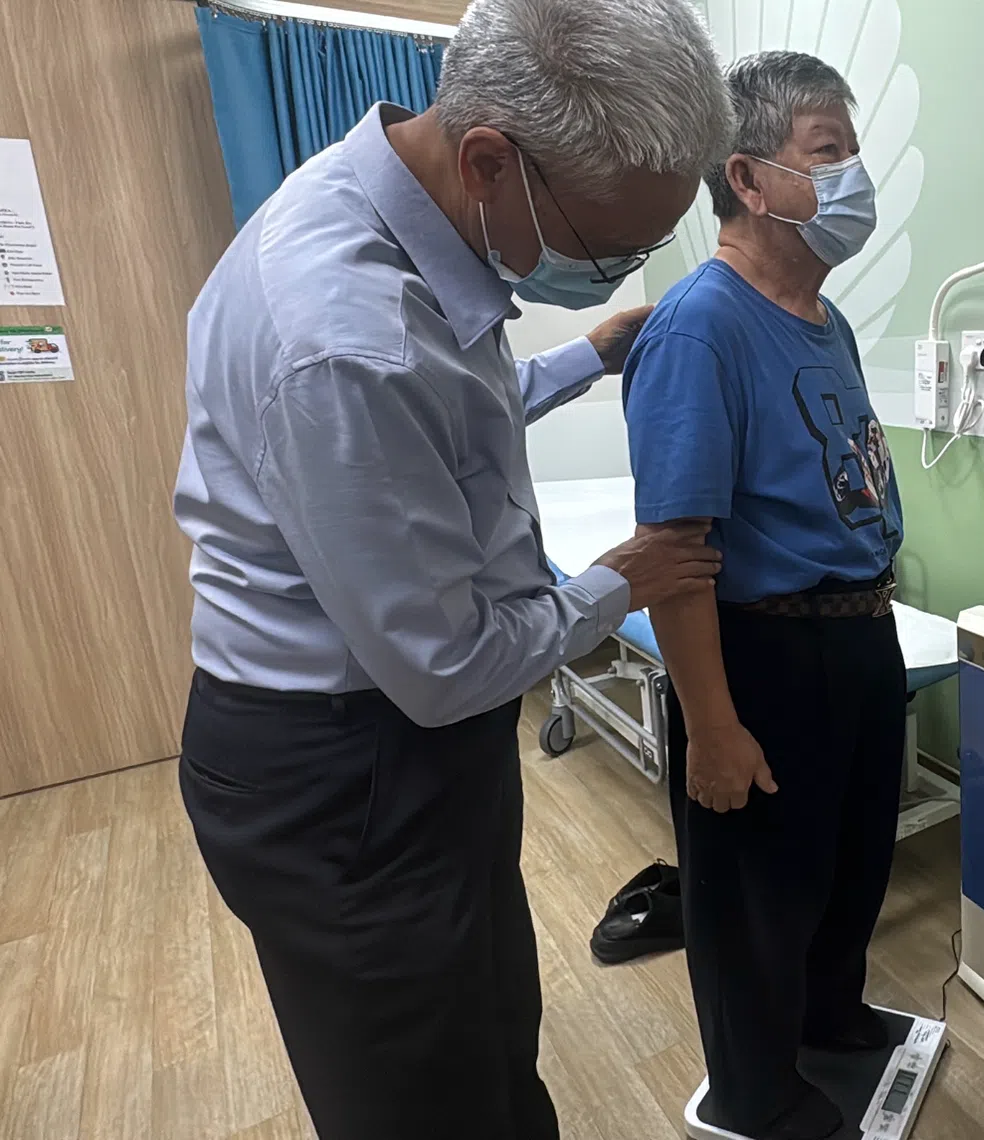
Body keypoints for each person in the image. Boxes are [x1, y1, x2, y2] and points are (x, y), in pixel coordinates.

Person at [172, 1, 734, 1137]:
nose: (612, 267)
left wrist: (587, 351)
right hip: (347, 766)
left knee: (484, 1034)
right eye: (609, 244)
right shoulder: (343, 333)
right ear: (490, 160)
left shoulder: (398, 211)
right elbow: (447, 664)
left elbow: (437, 427)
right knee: (422, 1096)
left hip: (404, 735)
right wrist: (629, 574)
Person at [622, 52, 906, 1140]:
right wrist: (713, 727)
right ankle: (753, 1090)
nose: (852, 176)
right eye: (829, 153)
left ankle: (831, 1022)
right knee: (755, 901)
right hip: (759, 651)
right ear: (749, 177)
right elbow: (678, 551)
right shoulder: (702, 327)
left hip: (858, 633)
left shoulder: (820, 321)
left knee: (849, 864)